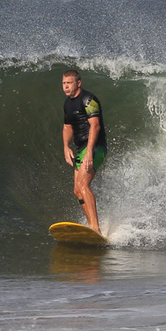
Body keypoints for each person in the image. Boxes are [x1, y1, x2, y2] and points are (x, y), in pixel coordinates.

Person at [61, 69, 107, 232]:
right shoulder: (68, 103)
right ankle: (92, 227)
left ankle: (95, 227)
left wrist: (89, 152)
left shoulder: (88, 99)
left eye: (69, 83)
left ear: (78, 83)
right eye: (64, 83)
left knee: (82, 184)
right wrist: (66, 146)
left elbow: (95, 125)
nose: (66, 86)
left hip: (95, 147)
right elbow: (67, 127)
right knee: (77, 190)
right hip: (81, 148)